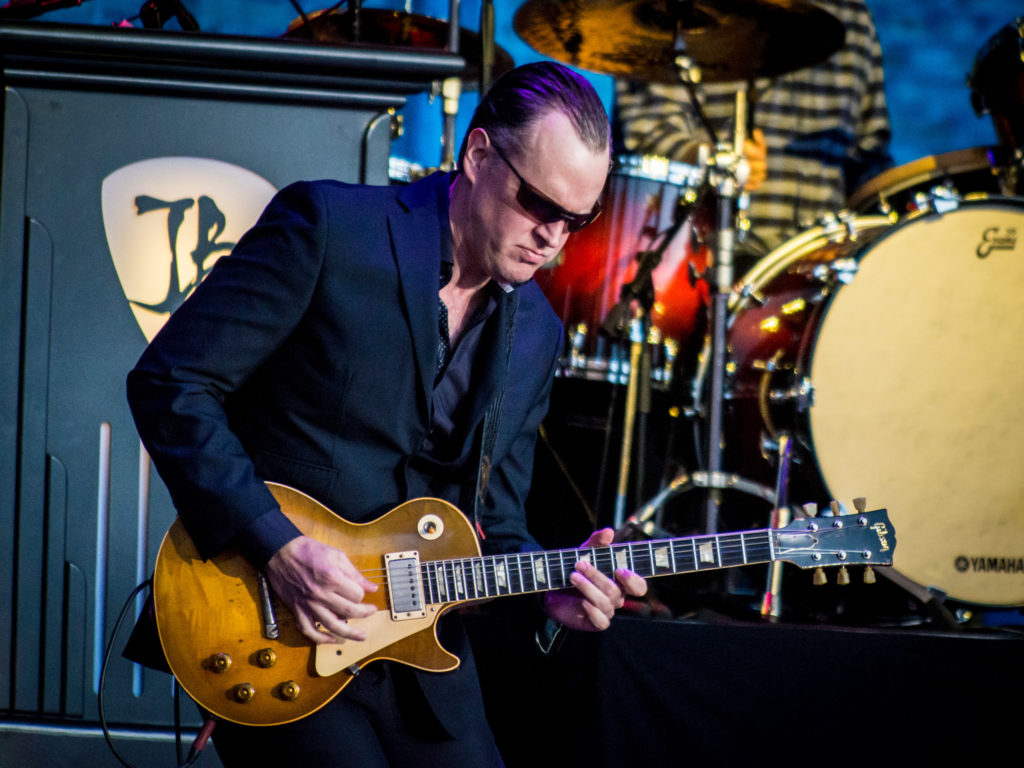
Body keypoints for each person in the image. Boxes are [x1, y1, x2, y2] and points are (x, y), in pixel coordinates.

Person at [127, 61, 647, 767]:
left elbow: (500, 526)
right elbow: (171, 381)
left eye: (576, 221)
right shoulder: (331, 227)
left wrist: (549, 594)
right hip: (276, 626)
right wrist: (277, 546)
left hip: (422, 667)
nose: (553, 237)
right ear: (479, 154)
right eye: (537, 203)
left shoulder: (537, 333)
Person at [615, 0, 893, 259]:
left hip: (824, 264)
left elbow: (869, 156)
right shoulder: (684, 7)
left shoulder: (852, 15)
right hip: (708, 255)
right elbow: (649, 131)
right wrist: (713, 160)